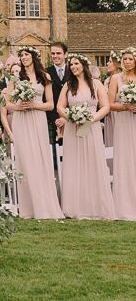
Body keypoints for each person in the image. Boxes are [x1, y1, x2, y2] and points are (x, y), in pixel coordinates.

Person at [4, 47, 63, 219]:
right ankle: (28, 208)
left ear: (34, 57)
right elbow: (5, 102)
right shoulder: (15, 78)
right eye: (21, 56)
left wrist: (34, 105)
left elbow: (51, 105)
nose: (23, 58)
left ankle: (45, 205)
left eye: (26, 55)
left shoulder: (45, 77)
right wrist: (18, 107)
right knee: (26, 161)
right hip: (22, 121)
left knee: (40, 159)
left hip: (38, 119)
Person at [57, 54, 114, 220]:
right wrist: (71, 118)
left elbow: (105, 107)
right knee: (74, 164)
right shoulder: (68, 85)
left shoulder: (95, 84)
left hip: (92, 128)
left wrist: (91, 119)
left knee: (93, 163)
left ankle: (95, 206)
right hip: (72, 129)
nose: (73, 66)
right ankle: (74, 207)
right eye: (71, 64)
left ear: (83, 65)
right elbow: (60, 106)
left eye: (76, 63)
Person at [108, 47, 136, 220]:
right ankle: (124, 205)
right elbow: (109, 104)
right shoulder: (116, 78)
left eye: (130, 59)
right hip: (124, 123)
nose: (127, 62)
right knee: (125, 160)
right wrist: (126, 106)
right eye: (124, 59)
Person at [46, 42, 68, 144]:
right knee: (53, 157)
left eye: (58, 53)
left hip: (71, 118)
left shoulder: (73, 71)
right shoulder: (45, 73)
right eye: (53, 53)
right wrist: (56, 119)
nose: (55, 56)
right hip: (51, 120)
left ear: (65, 54)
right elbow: (44, 99)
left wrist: (65, 117)